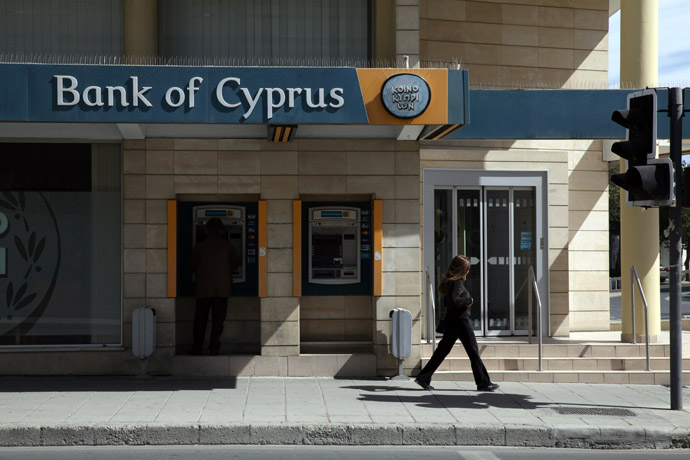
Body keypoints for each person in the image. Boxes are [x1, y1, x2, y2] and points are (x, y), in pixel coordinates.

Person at [415, 255, 499, 392]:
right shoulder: (457, 283)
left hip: (453, 322)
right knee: (473, 351)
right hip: (461, 322)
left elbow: (448, 302)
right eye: (468, 268)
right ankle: (484, 383)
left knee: (442, 351)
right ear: (463, 269)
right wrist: (469, 300)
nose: (469, 271)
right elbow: (454, 302)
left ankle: (424, 377)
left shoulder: (451, 282)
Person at [189, 217, 241, 356]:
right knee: (218, 321)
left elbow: (191, 266)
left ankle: (197, 348)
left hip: (203, 289)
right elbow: (236, 264)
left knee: (200, 320)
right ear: (221, 230)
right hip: (221, 290)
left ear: (207, 230)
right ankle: (213, 348)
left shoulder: (199, 246)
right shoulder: (227, 246)